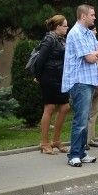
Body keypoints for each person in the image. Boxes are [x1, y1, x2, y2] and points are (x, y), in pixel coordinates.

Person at [61, 4, 98, 168]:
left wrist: (96, 54)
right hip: (80, 81)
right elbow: (90, 58)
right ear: (83, 16)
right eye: (92, 15)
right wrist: (96, 54)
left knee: (85, 118)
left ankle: (81, 152)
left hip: (89, 81)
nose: (95, 17)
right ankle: (73, 154)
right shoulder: (76, 33)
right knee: (80, 119)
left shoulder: (88, 33)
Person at [34, 15, 70, 154]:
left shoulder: (61, 39)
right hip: (49, 77)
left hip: (60, 78)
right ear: (58, 27)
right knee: (49, 107)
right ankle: (44, 143)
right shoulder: (49, 39)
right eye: (65, 26)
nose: (67, 28)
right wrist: (38, 76)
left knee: (65, 107)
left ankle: (56, 140)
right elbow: (40, 60)